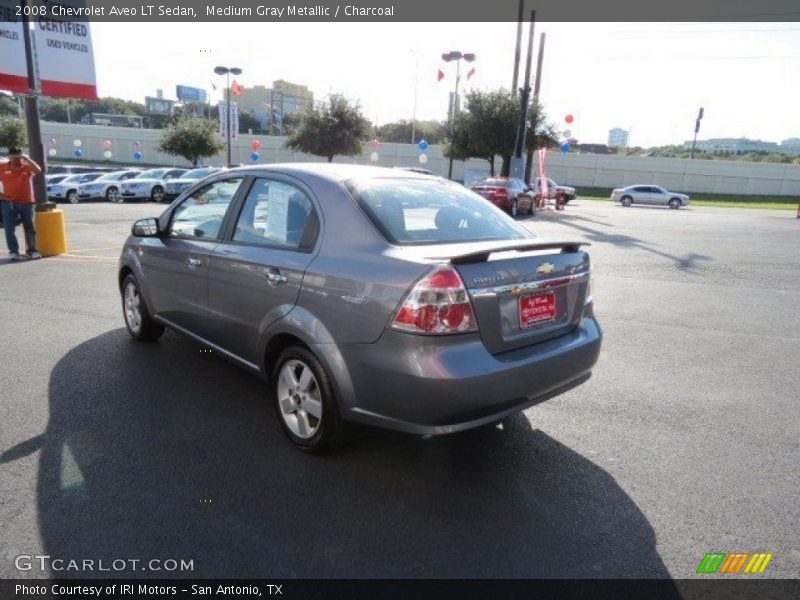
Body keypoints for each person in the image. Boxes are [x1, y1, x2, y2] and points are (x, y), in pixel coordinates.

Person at [0, 147, 42, 260]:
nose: (16, 160)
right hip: (8, 203)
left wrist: (27, 159)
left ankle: (32, 251)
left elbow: (38, 170)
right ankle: (14, 252)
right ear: (9, 157)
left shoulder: (27, 167)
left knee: (29, 227)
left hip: (27, 202)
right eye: (13, 157)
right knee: (9, 228)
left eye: (18, 157)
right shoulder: (2, 167)